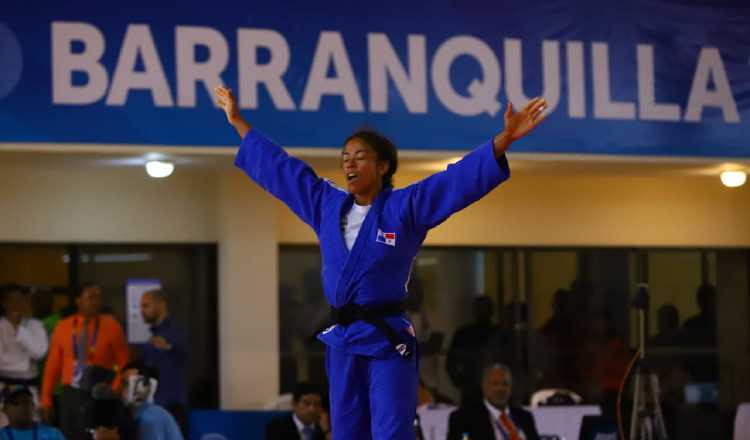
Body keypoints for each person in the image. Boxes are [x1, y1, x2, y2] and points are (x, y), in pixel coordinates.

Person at [214, 85, 547, 439]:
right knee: (346, 432)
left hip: (388, 340)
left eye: (359, 156)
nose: (349, 163)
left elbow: (455, 181)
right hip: (343, 339)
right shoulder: (327, 206)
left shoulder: (404, 208)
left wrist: (504, 139)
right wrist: (238, 122)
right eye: (345, 157)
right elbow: (283, 171)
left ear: (383, 165)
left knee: (390, 432)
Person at [41, 283, 130, 440]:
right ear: (78, 300)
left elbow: (125, 363)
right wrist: (46, 399)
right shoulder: (63, 327)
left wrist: (115, 388)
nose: (96, 301)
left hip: (101, 393)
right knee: (71, 436)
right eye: (91, 297)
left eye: (98, 297)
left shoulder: (112, 326)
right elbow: (52, 366)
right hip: (71, 393)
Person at [139, 290, 188, 434]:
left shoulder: (177, 332)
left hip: (172, 404)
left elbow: (184, 355)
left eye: (146, 306)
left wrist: (168, 347)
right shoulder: (152, 336)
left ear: (160, 305)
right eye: (141, 306)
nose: (142, 311)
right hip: (153, 404)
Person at [447, 364, 540, 440]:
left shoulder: (525, 418)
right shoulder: (463, 419)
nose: (500, 389)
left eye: (505, 384)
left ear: (511, 388)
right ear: (484, 386)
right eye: (495, 384)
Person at [446, 295, 501, 404]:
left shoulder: (500, 334)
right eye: (481, 308)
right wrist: (460, 382)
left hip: (496, 389)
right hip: (471, 390)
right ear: (475, 310)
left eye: (486, 308)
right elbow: (451, 362)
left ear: (492, 310)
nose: (483, 311)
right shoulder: (463, 334)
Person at [0, 284, 48, 391]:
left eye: (20, 299)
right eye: (11, 300)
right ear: (3, 303)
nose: (16, 304)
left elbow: (39, 353)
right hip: (3, 383)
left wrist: (18, 328)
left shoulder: (35, 325)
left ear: (26, 302)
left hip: (30, 383)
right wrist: (27, 361)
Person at [119, 362, 183, 440]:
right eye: (123, 383)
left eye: (127, 383)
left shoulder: (150, 417)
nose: (121, 388)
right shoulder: (134, 415)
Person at [0, 386, 65, 440]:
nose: (22, 406)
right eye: (15, 403)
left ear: (34, 406)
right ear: (4, 409)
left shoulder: (53, 434)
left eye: (26, 402)